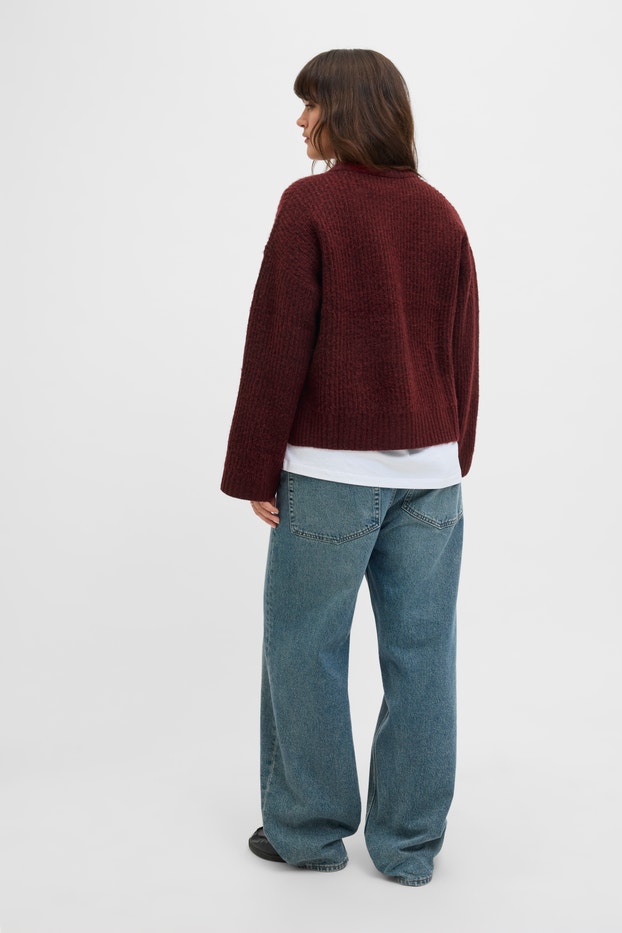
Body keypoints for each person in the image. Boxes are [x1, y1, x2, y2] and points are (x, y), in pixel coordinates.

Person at [220, 48, 479, 887]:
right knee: (423, 656)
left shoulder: (311, 205)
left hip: (331, 475)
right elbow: (463, 350)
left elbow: (277, 343)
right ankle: (408, 846)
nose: (301, 120)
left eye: (313, 104)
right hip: (432, 478)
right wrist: (452, 455)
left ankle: (307, 830)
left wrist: (255, 466)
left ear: (349, 112)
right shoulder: (440, 213)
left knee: (305, 648)